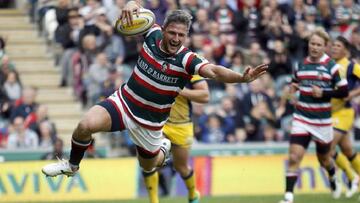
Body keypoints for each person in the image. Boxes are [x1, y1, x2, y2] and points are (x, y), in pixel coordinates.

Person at [41, 0, 267, 180]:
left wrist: (241, 78)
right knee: (84, 125)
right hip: (125, 102)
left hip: (149, 123)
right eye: (173, 33)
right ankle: (72, 166)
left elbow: (216, 71)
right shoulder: (152, 33)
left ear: (186, 36)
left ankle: (162, 149)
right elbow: (135, 7)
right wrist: (129, 6)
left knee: (148, 164)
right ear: (164, 28)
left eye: (181, 35)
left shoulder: (187, 59)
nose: (176, 39)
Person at [279, 28, 349, 203]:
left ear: (325, 47)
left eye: (319, 44)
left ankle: (333, 177)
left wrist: (324, 93)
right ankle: (288, 197)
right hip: (302, 117)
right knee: (294, 156)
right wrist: (291, 95)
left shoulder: (333, 67)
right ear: (308, 44)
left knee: (324, 159)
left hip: (322, 121)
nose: (315, 47)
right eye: (312, 43)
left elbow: (344, 92)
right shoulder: (300, 65)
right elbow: (294, 84)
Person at [143, 75, 209, 203]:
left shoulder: (190, 67)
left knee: (181, 167)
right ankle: (153, 200)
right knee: (149, 162)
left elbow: (205, 96)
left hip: (181, 125)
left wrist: (179, 90)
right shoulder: (154, 65)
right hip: (158, 122)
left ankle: (193, 194)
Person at [330, 36, 360, 198]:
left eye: (338, 45)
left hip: (344, 112)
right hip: (330, 112)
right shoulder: (329, 65)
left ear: (345, 49)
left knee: (327, 147)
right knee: (348, 150)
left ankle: (352, 177)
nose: (334, 48)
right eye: (333, 45)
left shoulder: (351, 65)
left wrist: (353, 93)